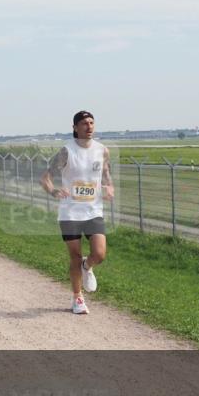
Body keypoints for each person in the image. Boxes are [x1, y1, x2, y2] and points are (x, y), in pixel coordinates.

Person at [40, 110, 114, 315]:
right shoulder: (66, 151)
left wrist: (109, 187)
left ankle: (87, 266)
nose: (89, 126)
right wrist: (54, 190)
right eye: (83, 123)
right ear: (75, 128)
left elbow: (106, 174)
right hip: (70, 212)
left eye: (91, 122)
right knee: (75, 255)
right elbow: (45, 177)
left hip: (93, 210)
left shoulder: (102, 150)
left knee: (99, 254)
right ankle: (77, 298)